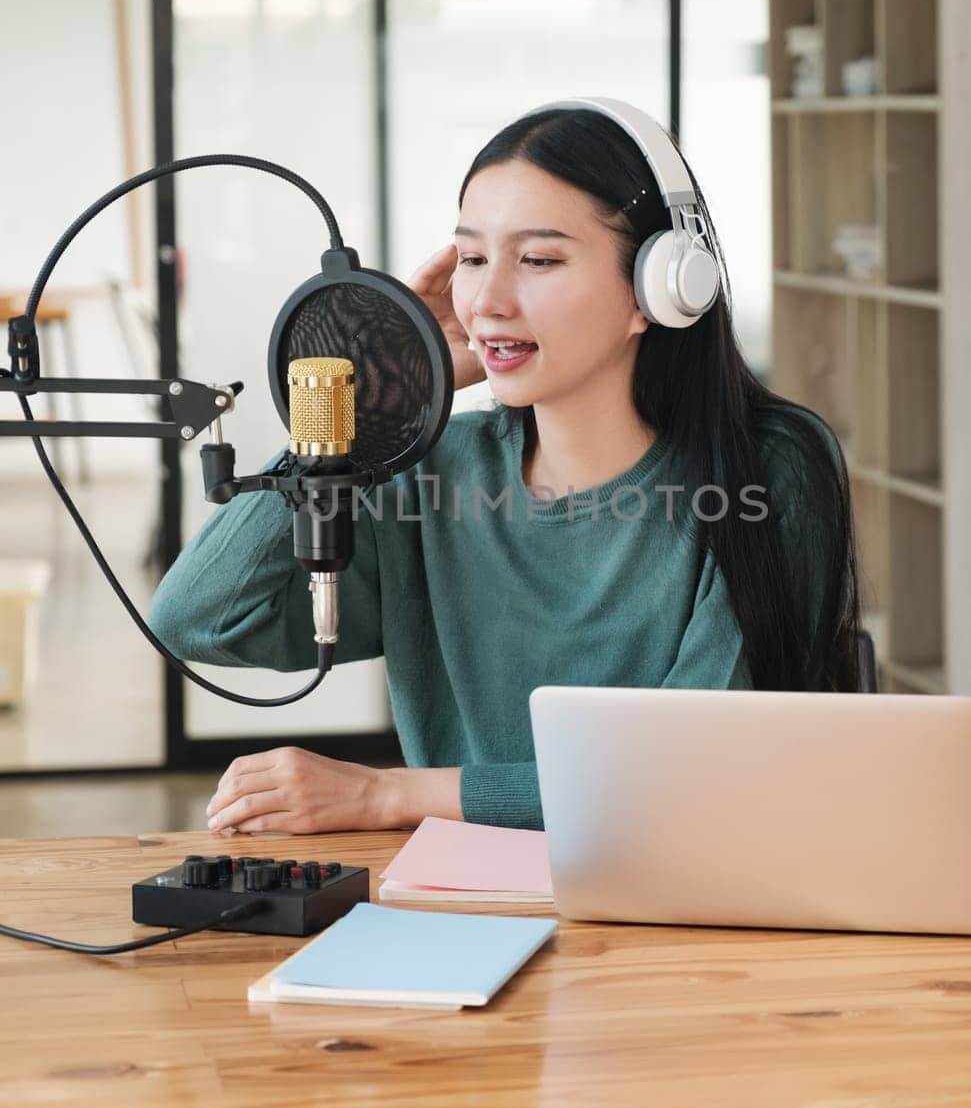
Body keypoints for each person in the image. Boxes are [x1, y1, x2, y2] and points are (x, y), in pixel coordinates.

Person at [148, 102, 859, 836]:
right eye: (473, 258)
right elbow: (200, 620)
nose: (486, 301)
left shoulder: (770, 467)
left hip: (692, 898)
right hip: (471, 901)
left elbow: (688, 771)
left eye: (539, 259)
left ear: (661, 286)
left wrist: (386, 796)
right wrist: (369, 406)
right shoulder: (428, 470)